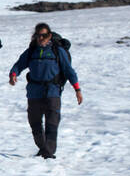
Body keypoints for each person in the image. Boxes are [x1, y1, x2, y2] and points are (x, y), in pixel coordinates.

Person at [8, 22, 82, 159]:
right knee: (34, 122)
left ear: (50, 35)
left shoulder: (57, 51)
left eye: (44, 35)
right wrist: (13, 74)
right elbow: (19, 64)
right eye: (38, 35)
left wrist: (77, 89)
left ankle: (48, 153)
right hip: (34, 92)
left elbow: (69, 70)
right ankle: (43, 148)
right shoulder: (31, 51)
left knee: (52, 123)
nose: (41, 38)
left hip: (52, 91)